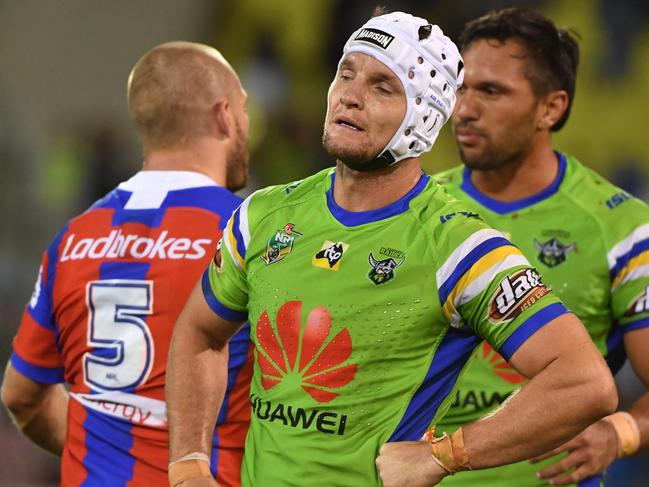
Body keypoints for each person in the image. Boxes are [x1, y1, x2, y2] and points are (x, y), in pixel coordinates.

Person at [166, 11, 616, 487]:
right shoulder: (263, 216)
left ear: (424, 116)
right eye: (346, 73)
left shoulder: (458, 246)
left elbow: (584, 382)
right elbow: (200, 333)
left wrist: (444, 456)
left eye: (383, 86)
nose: (350, 96)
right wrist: (189, 464)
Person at [1, 41, 253, 487]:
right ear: (224, 115)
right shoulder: (249, 234)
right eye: (245, 109)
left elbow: (22, 396)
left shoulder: (73, 238)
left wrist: (100, 448)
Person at [432, 7, 649, 486]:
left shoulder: (620, 227)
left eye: (491, 91)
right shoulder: (419, 212)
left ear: (550, 108)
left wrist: (621, 433)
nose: (464, 110)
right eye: (461, 88)